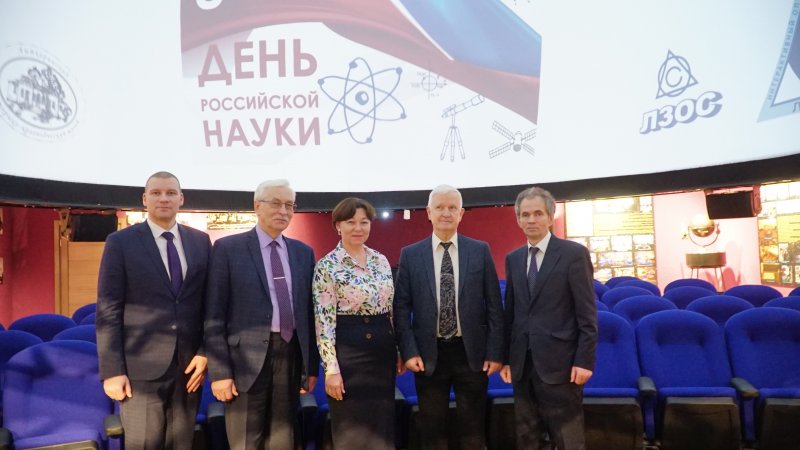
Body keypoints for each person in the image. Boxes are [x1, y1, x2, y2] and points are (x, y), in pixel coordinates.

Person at [96, 171, 211, 450]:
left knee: (183, 445)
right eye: (156, 193)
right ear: (144, 199)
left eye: (171, 193)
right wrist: (112, 371)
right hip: (139, 371)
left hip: (188, 369)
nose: (164, 198)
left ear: (181, 199)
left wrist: (206, 351)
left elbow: (210, 303)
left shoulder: (200, 242)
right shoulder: (120, 242)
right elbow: (109, 310)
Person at [204, 179, 319, 450]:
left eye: (289, 205)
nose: (283, 211)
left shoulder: (303, 253)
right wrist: (220, 372)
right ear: (257, 206)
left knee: (284, 438)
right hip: (243, 361)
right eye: (276, 203)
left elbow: (309, 313)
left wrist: (311, 367)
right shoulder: (228, 249)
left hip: (290, 355)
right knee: (246, 440)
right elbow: (214, 315)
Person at [394, 184, 504, 450]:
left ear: (461, 213)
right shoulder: (410, 254)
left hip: (472, 354)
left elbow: (493, 306)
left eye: (452, 207)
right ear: (428, 212)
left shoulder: (480, 251)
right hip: (428, 355)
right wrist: (408, 351)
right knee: (432, 432)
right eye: (440, 207)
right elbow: (401, 307)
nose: (446, 213)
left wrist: (495, 352)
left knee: (473, 431)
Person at [500, 186, 598, 450]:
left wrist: (584, 360)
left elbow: (587, 313)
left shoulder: (573, 254)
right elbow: (512, 313)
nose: (531, 220)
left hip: (561, 365)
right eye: (525, 215)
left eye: (538, 213)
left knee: (568, 440)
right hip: (522, 365)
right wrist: (507, 358)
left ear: (550, 216)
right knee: (527, 439)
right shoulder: (513, 259)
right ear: (518, 219)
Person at [312, 197, 401, 449]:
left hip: (382, 351)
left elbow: (391, 310)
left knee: (382, 426)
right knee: (351, 428)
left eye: (364, 222)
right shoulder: (327, 266)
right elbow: (324, 321)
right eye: (351, 222)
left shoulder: (380, 260)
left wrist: (397, 350)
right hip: (348, 353)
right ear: (338, 226)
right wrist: (331, 369)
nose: (358, 228)